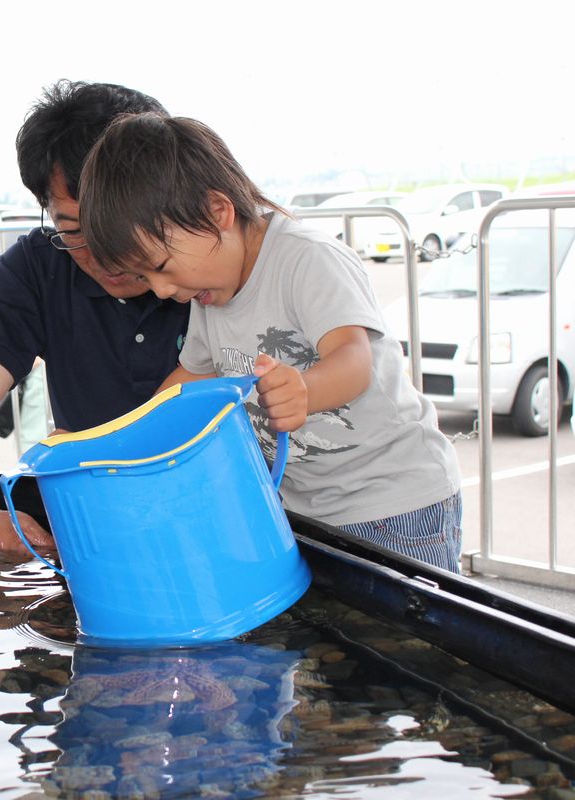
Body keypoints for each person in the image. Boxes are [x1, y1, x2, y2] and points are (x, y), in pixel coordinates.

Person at [78, 112, 463, 572]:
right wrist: (111, 446)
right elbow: (187, 383)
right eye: (145, 277)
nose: (161, 291)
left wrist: (306, 390)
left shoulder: (306, 259)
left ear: (217, 212)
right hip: (304, 509)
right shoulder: (210, 290)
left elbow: (354, 359)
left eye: (160, 267)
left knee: (408, 639)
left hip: (396, 503)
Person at [0, 81, 191, 554]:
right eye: (73, 229)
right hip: (97, 524)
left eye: (118, 226)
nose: (105, 254)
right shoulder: (37, 267)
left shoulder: (212, 263)